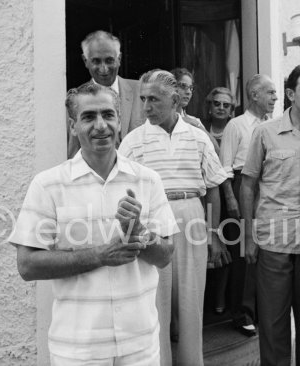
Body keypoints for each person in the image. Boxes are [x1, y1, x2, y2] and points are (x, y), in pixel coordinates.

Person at [10, 83, 179, 365]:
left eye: (108, 115)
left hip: (140, 344)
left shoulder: (147, 180)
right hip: (78, 348)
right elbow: (27, 265)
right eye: (89, 117)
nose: (101, 126)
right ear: (73, 126)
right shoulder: (48, 184)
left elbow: (165, 256)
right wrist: (99, 255)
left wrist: (139, 232)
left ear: (118, 119)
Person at [118, 69, 231, 366]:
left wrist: (213, 233)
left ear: (175, 99)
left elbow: (214, 189)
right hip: (153, 219)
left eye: (153, 99)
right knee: (156, 301)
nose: (146, 107)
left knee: (191, 300)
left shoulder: (198, 138)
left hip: (191, 215)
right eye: (143, 99)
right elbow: (123, 194)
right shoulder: (132, 141)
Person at [240, 64, 300, 366]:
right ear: (290, 94)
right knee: (272, 324)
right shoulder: (265, 133)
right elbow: (248, 185)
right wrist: (249, 236)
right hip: (273, 241)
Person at [218, 74, 278, 336]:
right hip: (242, 185)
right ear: (254, 94)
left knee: (264, 250)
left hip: (267, 187)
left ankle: (261, 311)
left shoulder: (274, 125)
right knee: (245, 251)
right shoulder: (236, 125)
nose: (275, 98)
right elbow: (225, 167)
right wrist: (231, 199)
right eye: (271, 93)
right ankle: (241, 314)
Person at [67, 30, 143, 158]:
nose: (104, 68)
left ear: (119, 59)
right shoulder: (75, 100)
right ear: (85, 61)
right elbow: (73, 153)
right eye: (96, 61)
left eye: (109, 60)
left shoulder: (141, 91)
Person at [201, 86, 236, 316]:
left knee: (228, 245)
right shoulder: (201, 129)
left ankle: (221, 297)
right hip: (207, 194)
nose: (221, 108)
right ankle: (204, 298)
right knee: (204, 244)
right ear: (210, 107)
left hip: (229, 194)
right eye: (217, 104)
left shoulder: (235, 131)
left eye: (226, 105)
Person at [171, 67, 221, 155]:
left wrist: (197, 125)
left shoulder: (194, 121)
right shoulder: (161, 120)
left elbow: (216, 150)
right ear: (171, 87)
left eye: (191, 88)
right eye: (183, 86)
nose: (188, 92)